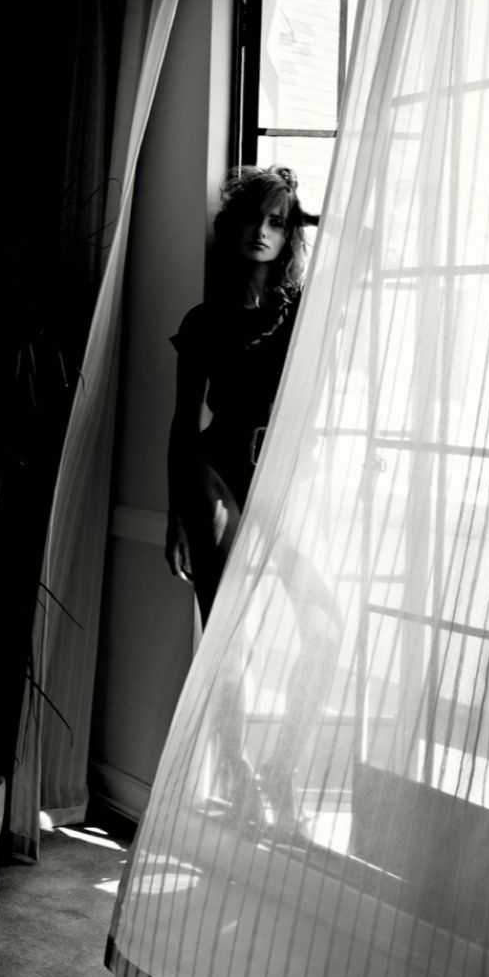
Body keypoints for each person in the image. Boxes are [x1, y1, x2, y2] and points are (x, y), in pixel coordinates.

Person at [165, 165, 341, 840]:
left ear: (290, 232)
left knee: (325, 627)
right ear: (230, 226)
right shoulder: (204, 321)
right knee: (227, 630)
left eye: (276, 221)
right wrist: (177, 514)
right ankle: (237, 777)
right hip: (213, 472)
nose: (261, 232)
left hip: (281, 479)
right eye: (250, 219)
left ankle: (281, 771)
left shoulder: (303, 311)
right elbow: (185, 423)